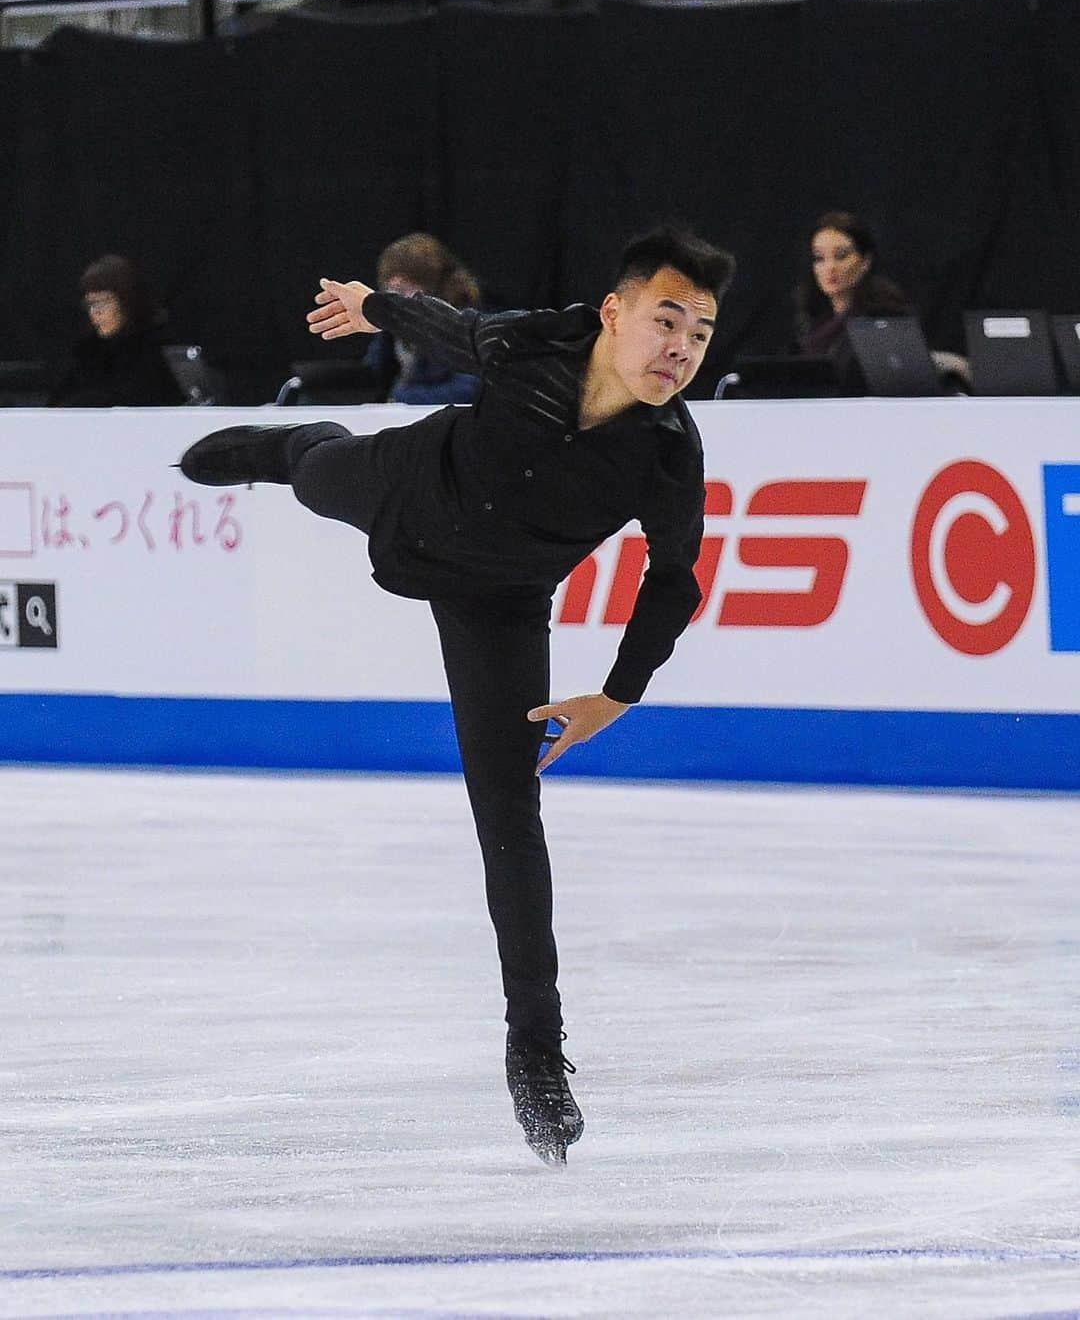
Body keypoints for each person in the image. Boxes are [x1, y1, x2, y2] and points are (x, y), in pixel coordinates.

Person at [178, 226, 735, 1165]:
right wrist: (372, 306)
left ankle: (536, 1050)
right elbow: (454, 330)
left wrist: (618, 692)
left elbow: (673, 577)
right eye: (665, 319)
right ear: (615, 312)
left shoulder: (668, 455)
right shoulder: (537, 344)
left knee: (510, 816)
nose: (680, 347)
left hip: (500, 603)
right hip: (409, 488)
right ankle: (293, 444)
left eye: (702, 334)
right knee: (317, 474)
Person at [794, 211, 914, 392]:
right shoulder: (810, 324)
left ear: (865, 262)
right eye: (819, 258)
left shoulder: (884, 320)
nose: (830, 267)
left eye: (841, 256)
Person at [361, 232, 483, 406]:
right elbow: (371, 371)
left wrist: (402, 397)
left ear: (431, 288)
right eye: (390, 290)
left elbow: (469, 388)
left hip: (442, 413)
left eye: (403, 290)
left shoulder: (464, 322)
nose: (395, 298)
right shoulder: (392, 316)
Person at [50, 254, 184, 408]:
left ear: (126, 302)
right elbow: (57, 405)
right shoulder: (89, 353)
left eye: (101, 303)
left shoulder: (158, 350)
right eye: (90, 305)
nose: (94, 313)